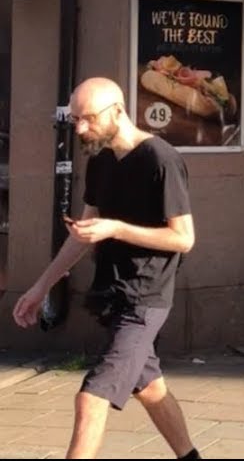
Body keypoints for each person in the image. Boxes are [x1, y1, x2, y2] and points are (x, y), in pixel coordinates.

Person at [11, 77, 200, 460]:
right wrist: (41, 287)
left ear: (118, 110)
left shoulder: (160, 159)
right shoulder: (100, 161)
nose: (81, 128)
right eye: (75, 119)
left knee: (91, 396)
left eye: (88, 119)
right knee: (149, 388)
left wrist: (116, 228)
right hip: (112, 295)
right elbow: (84, 233)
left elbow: (183, 239)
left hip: (145, 299)